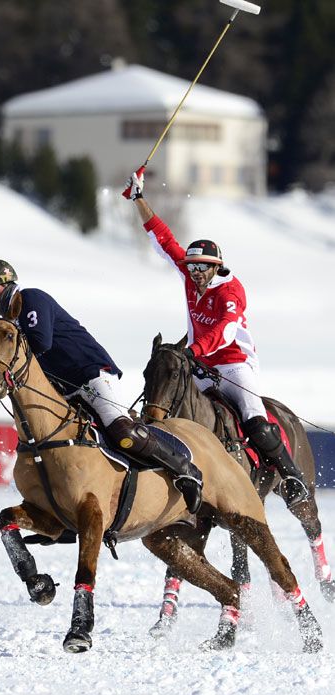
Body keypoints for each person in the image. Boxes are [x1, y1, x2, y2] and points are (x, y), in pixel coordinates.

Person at [0, 259, 203, 514]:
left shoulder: (31, 299)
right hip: (65, 390)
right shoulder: (9, 324)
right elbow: (3, 372)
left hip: (90, 375)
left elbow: (41, 342)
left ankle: (185, 470)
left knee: (122, 431)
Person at [125, 171, 308, 507]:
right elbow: (164, 240)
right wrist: (139, 198)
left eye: (200, 269)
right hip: (200, 362)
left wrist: (193, 351)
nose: (193, 273)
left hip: (234, 365)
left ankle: (292, 476)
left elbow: (224, 331)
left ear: (215, 268)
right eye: (191, 267)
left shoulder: (231, 291)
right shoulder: (192, 275)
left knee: (255, 420)